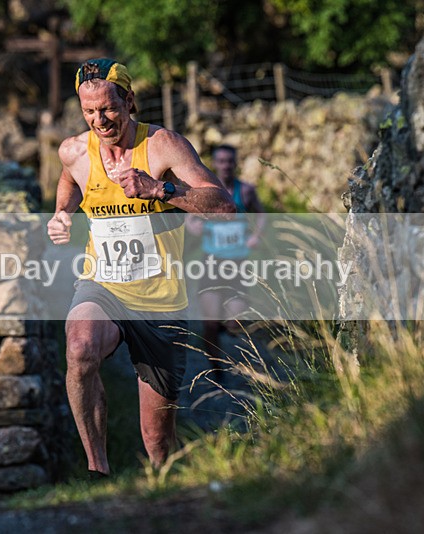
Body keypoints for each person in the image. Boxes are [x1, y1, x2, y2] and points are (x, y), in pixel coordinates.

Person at [47, 58, 235, 476]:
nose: (100, 120)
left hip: (161, 302)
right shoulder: (75, 151)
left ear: (129, 101)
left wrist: (159, 189)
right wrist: (62, 212)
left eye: (109, 109)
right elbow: (67, 179)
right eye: (89, 111)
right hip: (103, 286)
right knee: (79, 348)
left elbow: (223, 206)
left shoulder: (163, 146)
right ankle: (98, 472)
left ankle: (159, 489)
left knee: (156, 440)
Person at [186, 145, 266, 371]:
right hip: (212, 263)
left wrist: (256, 236)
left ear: (235, 163)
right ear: (215, 164)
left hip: (238, 264)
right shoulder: (206, 192)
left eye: (229, 161)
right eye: (220, 161)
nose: (225, 166)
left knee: (235, 323)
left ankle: (225, 324)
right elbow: (190, 218)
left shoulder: (246, 191)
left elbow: (261, 215)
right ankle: (216, 370)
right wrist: (195, 226)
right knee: (209, 325)